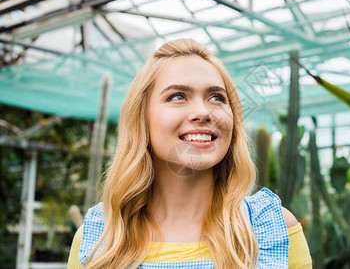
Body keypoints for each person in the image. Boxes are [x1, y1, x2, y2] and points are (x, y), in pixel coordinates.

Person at [68, 39, 312, 268]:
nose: (203, 112)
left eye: (217, 97)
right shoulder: (98, 239)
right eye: (177, 96)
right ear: (142, 117)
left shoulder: (273, 229)